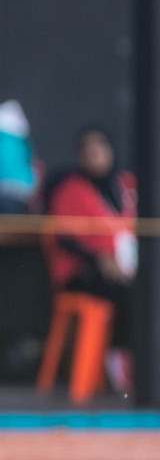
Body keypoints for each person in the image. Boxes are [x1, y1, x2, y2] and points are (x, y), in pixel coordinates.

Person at [45, 125, 137, 395]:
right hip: (82, 273)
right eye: (88, 150)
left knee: (146, 292)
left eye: (100, 148)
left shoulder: (126, 186)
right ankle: (120, 363)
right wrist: (100, 260)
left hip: (129, 267)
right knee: (130, 294)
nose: (95, 155)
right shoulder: (70, 189)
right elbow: (65, 239)